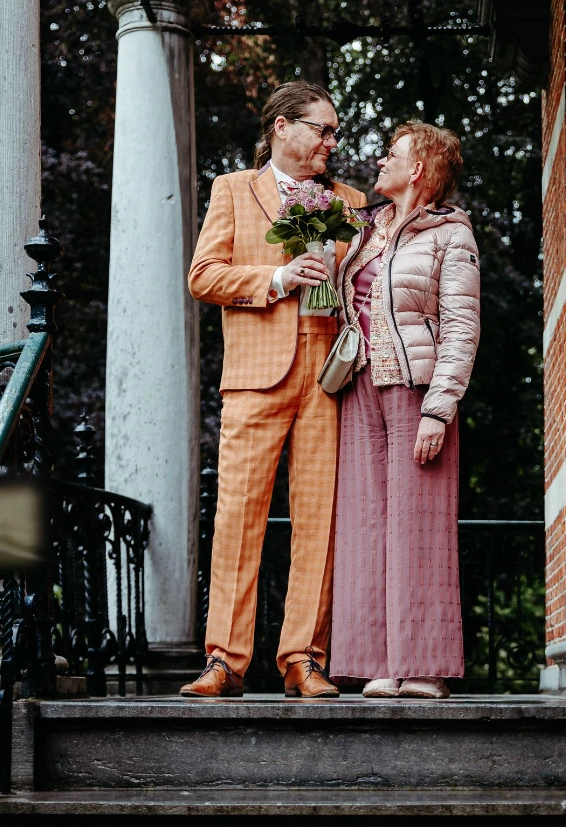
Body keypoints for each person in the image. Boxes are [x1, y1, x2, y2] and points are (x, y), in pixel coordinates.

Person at [180, 81, 366, 699]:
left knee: (321, 521)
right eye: (322, 129)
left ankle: (303, 659)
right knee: (236, 518)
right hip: (255, 379)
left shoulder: (352, 201)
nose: (331, 142)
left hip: (328, 380)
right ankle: (224, 662)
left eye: (335, 132)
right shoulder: (233, 189)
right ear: (283, 128)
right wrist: (280, 276)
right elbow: (204, 276)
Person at [330, 121, 480, 699]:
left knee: (419, 525)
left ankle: (423, 667)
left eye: (391, 155)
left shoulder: (450, 233)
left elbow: (463, 326)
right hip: (360, 385)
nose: (380, 163)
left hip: (417, 389)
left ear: (417, 168)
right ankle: (378, 663)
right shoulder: (367, 229)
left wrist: (440, 409)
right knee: (368, 524)